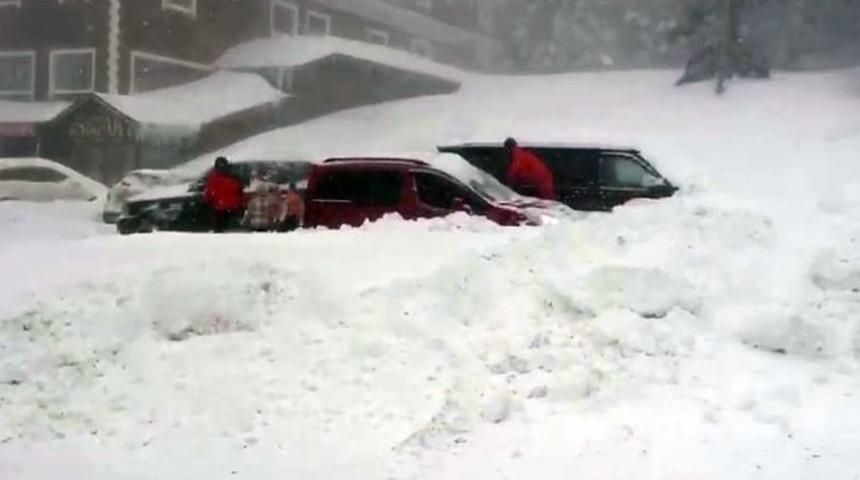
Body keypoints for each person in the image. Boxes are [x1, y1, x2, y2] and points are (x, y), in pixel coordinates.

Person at [203, 157, 244, 233]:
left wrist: (207, 203)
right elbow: (240, 192)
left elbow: (208, 194)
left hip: (219, 209)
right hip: (234, 209)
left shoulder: (213, 178)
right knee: (235, 232)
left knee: (220, 232)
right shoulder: (234, 178)